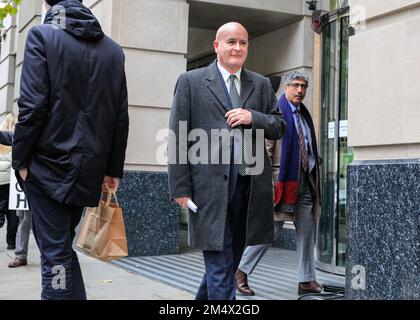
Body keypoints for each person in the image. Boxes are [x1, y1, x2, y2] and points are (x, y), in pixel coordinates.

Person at [12, 0, 129, 300]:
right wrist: (112, 169)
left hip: (46, 168)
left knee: (55, 259)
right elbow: (120, 116)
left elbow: (32, 107)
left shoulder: (42, 36)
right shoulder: (113, 51)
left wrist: (21, 161)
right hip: (88, 172)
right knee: (60, 249)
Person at [168, 22, 286, 300]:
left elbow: (279, 126)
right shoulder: (191, 82)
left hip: (249, 190)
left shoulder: (261, 84)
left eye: (243, 43)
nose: (237, 48)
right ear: (217, 46)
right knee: (220, 271)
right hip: (209, 191)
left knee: (227, 265)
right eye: (231, 41)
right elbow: (177, 136)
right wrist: (180, 188)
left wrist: (252, 117)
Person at [236, 71, 323, 296]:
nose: (300, 90)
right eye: (295, 85)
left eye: (304, 86)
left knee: (306, 232)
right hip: (280, 184)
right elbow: (264, 151)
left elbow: (308, 145)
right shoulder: (277, 113)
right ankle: (240, 272)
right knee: (268, 231)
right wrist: (267, 184)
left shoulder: (304, 114)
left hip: (305, 183)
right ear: (286, 87)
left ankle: (306, 279)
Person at [0, 114, 19, 251]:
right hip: (13, 182)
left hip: (0, 182)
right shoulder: (16, 139)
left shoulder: (2, 138)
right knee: (13, 213)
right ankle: (11, 243)